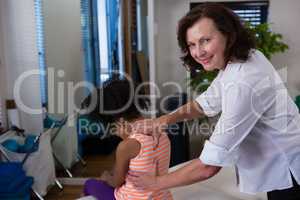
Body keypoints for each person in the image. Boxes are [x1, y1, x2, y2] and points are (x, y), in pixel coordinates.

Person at [131, 3, 300, 200]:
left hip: (290, 171)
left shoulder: (244, 83)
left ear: (229, 35)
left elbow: (208, 167)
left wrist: (154, 183)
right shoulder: (241, 60)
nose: (198, 52)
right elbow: (204, 104)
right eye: (192, 44)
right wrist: (164, 120)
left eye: (206, 40)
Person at [83, 78, 173, 200]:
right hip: (163, 197)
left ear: (117, 118)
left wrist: (106, 177)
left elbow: (116, 182)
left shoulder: (126, 146)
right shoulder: (161, 131)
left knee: (89, 184)